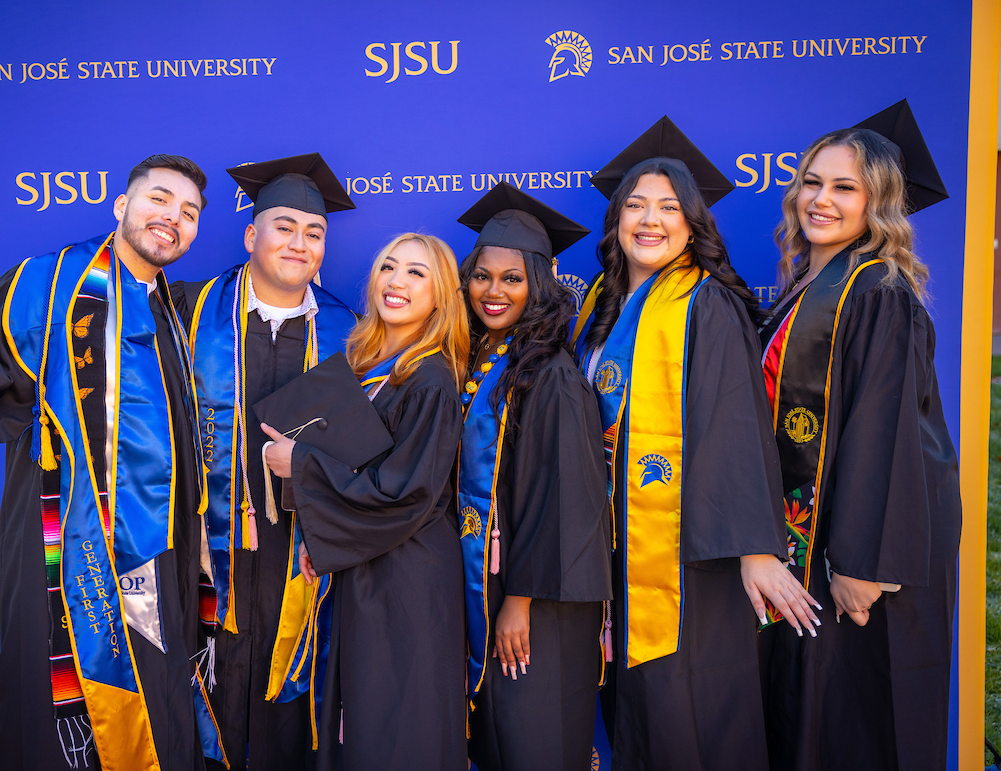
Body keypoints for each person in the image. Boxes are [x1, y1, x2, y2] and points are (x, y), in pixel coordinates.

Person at [0, 151, 218, 770]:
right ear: (122, 205)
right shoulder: (48, 285)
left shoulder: (177, 311)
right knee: (59, 712)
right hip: (67, 550)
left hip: (162, 557)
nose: (173, 218)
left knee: (162, 697)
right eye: (159, 200)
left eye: (190, 212)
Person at [573, 117, 819, 770]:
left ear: (693, 225)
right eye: (636, 206)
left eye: (669, 208)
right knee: (636, 706)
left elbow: (735, 426)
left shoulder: (705, 302)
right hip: (614, 544)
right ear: (616, 220)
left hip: (688, 554)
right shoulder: (601, 301)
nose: (650, 221)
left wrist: (755, 548)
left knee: (690, 711)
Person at [757, 104, 961, 771]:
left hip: (856, 556)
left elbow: (886, 429)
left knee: (854, 718)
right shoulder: (807, 286)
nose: (821, 199)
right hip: (811, 542)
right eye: (812, 182)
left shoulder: (878, 291)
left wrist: (862, 564)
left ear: (878, 203)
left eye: (844, 188)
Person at [172, 154, 359, 771]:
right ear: (251, 235)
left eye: (314, 233)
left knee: (291, 703)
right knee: (207, 680)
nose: (299, 243)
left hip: (301, 550)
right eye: (283, 227)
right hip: (201, 546)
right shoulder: (188, 313)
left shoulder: (350, 333)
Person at [261, 232, 470, 771]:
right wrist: (320, 534)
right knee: (366, 717)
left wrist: (300, 464)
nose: (396, 282)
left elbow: (408, 492)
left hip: (409, 574)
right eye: (388, 267)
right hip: (366, 561)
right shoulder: (370, 363)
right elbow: (362, 467)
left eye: (417, 273)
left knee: (400, 722)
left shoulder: (431, 379)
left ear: (442, 296)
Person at [453, 182, 611, 771]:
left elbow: (563, 500)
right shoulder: (471, 360)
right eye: (483, 276)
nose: (494, 292)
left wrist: (517, 602)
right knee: (496, 739)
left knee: (533, 736)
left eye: (512, 279)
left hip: (536, 597)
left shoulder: (551, 376)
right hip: (484, 583)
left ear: (538, 285)